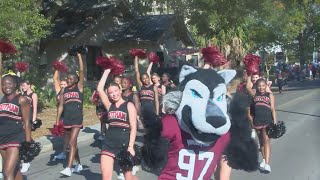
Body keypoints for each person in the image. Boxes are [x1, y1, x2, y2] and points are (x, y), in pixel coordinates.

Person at [97, 69, 138, 180]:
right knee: (106, 177)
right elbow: (99, 89)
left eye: (115, 91)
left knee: (128, 177)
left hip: (124, 146)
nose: (113, 94)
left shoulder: (129, 105)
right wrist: (106, 71)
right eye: (110, 92)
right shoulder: (109, 105)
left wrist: (131, 146)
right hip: (109, 144)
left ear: (120, 90)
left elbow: (134, 127)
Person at [56, 53, 84, 176]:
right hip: (67, 119)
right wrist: (57, 120)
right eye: (67, 79)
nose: (68, 80)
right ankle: (79, 164)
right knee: (74, 144)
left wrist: (78, 56)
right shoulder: (64, 90)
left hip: (77, 119)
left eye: (71, 79)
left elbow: (82, 70)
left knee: (72, 142)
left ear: (76, 80)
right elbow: (61, 106)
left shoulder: (80, 88)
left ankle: (68, 167)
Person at [0, 74, 31, 180]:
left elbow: (27, 122)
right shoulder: (1, 100)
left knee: (7, 172)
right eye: (3, 84)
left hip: (16, 138)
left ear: (15, 85)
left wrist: (27, 142)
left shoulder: (22, 100)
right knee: (15, 169)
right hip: (2, 138)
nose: (6, 86)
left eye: (9, 83)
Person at [246, 77, 277, 173]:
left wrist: (275, 122)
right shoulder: (254, 94)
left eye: (263, 85)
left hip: (267, 120)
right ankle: (264, 159)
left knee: (266, 141)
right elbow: (248, 88)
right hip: (257, 120)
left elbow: (272, 109)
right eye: (259, 86)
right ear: (256, 86)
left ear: (266, 86)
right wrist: (249, 74)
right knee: (261, 142)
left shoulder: (270, 95)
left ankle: (267, 164)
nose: (261, 87)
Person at [19, 79, 38, 173]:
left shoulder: (33, 95)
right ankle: (31, 148)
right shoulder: (22, 95)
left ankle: (26, 162)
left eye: (25, 85)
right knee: (24, 138)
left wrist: (33, 120)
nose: (23, 87)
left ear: (29, 85)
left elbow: (35, 108)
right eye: (22, 85)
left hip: (29, 118)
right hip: (21, 119)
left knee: (25, 139)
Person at [52, 69, 68, 160]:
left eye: (64, 84)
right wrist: (57, 68)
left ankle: (65, 151)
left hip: (69, 114)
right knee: (63, 133)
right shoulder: (59, 90)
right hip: (61, 114)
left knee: (66, 134)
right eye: (61, 84)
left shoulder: (69, 91)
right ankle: (66, 147)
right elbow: (55, 79)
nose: (62, 86)